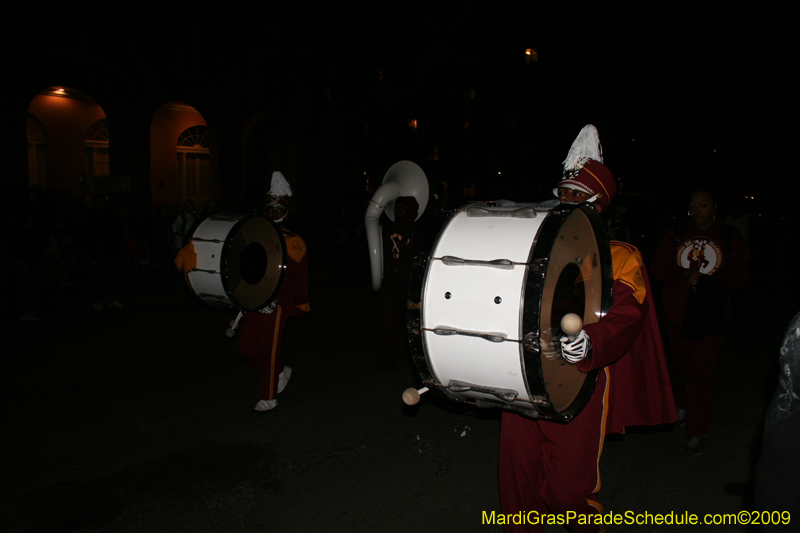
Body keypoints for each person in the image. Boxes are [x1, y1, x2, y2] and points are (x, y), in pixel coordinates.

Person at [498, 125, 676, 532]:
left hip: (580, 383)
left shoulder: (619, 256)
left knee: (568, 493)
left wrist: (590, 343)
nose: (566, 202)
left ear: (599, 205)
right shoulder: (527, 248)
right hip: (521, 375)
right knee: (518, 487)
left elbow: (628, 317)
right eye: (563, 194)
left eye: (578, 196)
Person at [650, 189, 749, 454]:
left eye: (703, 205)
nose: (697, 211)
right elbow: (658, 268)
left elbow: (741, 276)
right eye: (693, 205)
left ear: (715, 207)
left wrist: (710, 283)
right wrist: (683, 273)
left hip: (710, 317)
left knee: (702, 373)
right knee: (680, 367)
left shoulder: (729, 236)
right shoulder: (678, 232)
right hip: (677, 315)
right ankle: (682, 405)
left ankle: (698, 429)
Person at [235, 171, 310, 413]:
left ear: (286, 212)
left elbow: (297, 278)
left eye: (278, 210)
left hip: (277, 303)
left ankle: (269, 396)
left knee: (269, 349)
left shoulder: (293, 241)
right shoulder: (254, 233)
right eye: (270, 209)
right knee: (245, 346)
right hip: (254, 300)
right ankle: (279, 371)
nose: (274, 213)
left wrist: (278, 300)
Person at [377, 196, 419, 370]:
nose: (400, 211)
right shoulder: (389, 229)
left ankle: (416, 361)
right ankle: (388, 359)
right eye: (398, 208)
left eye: (404, 208)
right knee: (389, 321)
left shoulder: (416, 230)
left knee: (411, 323)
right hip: (391, 283)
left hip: (408, 285)